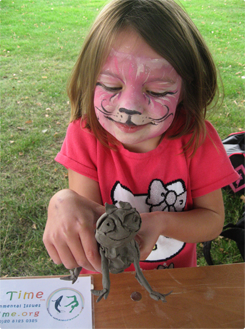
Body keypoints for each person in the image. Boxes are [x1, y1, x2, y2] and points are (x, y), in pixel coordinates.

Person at [43, 0, 239, 274]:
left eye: (158, 91)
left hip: (174, 284)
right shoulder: (85, 135)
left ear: (186, 89)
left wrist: (160, 222)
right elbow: (86, 216)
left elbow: (213, 221)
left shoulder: (197, 139)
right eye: (112, 85)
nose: (130, 108)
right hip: (105, 284)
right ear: (90, 80)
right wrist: (63, 202)